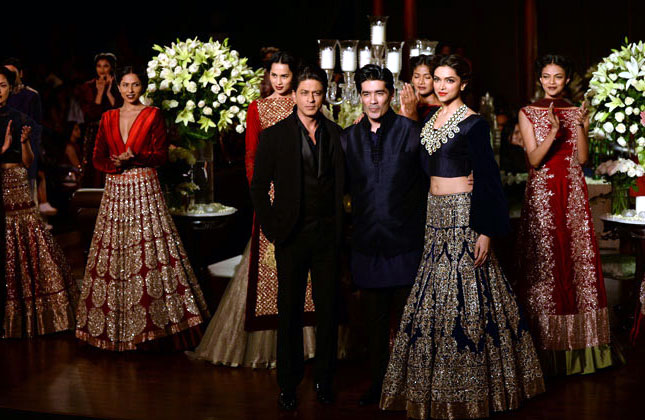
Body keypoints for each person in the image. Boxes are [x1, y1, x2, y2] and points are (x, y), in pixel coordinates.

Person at [380, 55, 544, 419]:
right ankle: (433, 383)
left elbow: (488, 178)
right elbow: (420, 169)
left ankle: (475, 384)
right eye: (437, 79)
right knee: (432, 293)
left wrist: (485, 230)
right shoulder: (427, 121)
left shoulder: (474, 124)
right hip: (434, 215)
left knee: (469, 293)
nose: (440, 86)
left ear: (463, 84)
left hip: (463, 213)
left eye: (448, 80)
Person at [189, 51, 318, 368]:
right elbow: (250, 156)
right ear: (267, 77)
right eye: (274, 76)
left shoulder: (302, 103)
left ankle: (309, 344)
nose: (279, 82)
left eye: (285, 76)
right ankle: (266, 345)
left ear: (294, 77)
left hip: (302, 194)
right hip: (270, 194)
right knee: (267, 263)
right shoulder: (257, 108)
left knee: (305, 264)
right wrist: (261, 192)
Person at [75, 67, 209, 351]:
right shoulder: (108, 117)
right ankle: (115, 327)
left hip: (145, 187)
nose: (130, 90)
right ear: (117, 86)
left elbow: (160, 156)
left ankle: (154, 327)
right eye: (125, 85)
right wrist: (115, 164)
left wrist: (134, 157)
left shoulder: (152, 114)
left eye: (135, 85)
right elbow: (96, 158)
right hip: (115, 189)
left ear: (141, 87)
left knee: (147, 251)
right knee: (115, 252)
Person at [250, 65, 345, 410]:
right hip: (290, 236)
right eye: (304, 93)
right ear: (294, 96)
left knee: (328, 312)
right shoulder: (274, 136)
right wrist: (274, 230)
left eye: (316, 93)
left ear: (323, 96)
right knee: (288, 312)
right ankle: (288, 384)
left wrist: (340, 229)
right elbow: (259, 188)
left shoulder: (335, 133)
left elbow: (345, 185)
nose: (310, 99)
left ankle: (324, 381)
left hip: (326, 236)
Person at [516, 54, 616, 375]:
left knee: (574, 262)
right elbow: (534, 159)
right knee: (546, 262)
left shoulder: (576, 111)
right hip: (544, 194)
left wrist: (582, 127)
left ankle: (581, 345)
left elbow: (582, 158)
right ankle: (544, 347)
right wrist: (554, 133)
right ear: (539, 79)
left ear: (566, 78)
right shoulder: (528, 112)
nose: (552, 82)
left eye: (557, 76)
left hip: (572, 192)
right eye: (546, 76)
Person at [341, 64, 429, 406]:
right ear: (359, 97)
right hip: (367, 243)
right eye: (366, 94)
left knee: (411, 323)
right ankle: (379, 386)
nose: (373, 101)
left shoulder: (411, 132)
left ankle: (413, 387)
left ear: (390, 95)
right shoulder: (348, 138)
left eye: (379, 93)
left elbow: (429, 185)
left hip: (407, 243)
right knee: (373, 328)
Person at [0, 66, 77, 338]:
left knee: (22, 242)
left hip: (17, 183)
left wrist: (23, 144)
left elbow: (28, 161)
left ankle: (27, 314)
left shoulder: (20, 117)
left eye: (3, 86)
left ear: (11, 89)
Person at [78, 53, 122, 187]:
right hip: (94, 131)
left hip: (114, 130)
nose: (102, 70)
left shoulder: (119, 85)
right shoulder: (88, 86)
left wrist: (108, 93)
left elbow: (119, 110)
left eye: (106, 66)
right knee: (94, 164)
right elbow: (91, 114)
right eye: (99, 66)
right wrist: (100, 92)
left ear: (112, 68)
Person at [399, 55, 442, 122]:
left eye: (427, 77)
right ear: (412, 79)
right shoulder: (410, 102)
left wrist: (412, 112)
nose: (421, 82)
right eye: (416, 77)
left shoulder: (441, 109)